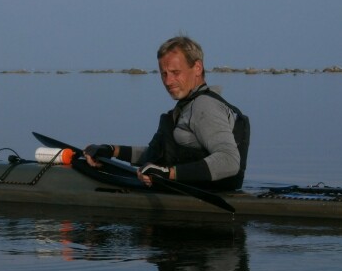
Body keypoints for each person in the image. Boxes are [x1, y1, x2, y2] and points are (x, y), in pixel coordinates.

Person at [84, 36, 249, 191]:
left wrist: (168, 173)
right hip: (190, 190)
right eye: (164, 74)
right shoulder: (186, 107)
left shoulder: (204, 106)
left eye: (175, 72)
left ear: (197, 68)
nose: (168, 82)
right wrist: (112, 150)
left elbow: (230, 161)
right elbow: (155, 155)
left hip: (207, 198)